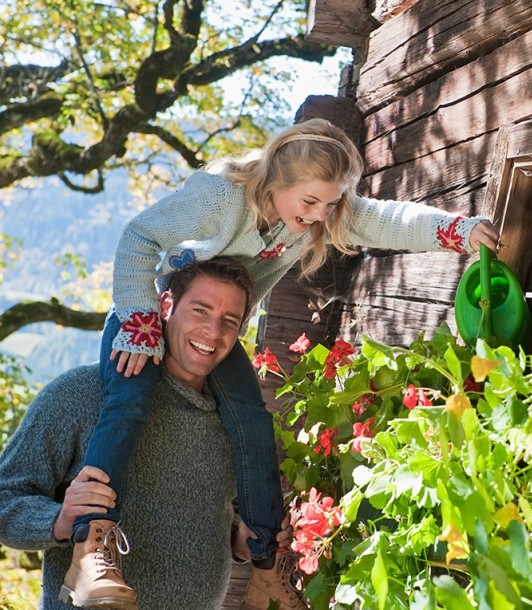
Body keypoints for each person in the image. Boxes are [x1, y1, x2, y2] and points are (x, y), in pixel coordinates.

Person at [73, 117, 501, 610]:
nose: (321, 215)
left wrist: (459, 231)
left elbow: (389, 220)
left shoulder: (323, 209)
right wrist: (139, 318)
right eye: (311, 202)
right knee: (128, 402)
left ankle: (263, 571)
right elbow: (140, 237)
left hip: (216, 329)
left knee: (254, 425)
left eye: (332, 202)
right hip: (157, 314)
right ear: (276, 184)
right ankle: (91, 548)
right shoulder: (221, 197)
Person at [0, 257, 305, 610]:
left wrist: (240, 538)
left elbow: (217, 514)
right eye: (200, 310)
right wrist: (59, 521)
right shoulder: (81, 395)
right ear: (165, 306)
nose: (213, 331)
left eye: (229, 321)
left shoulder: (235, 426)